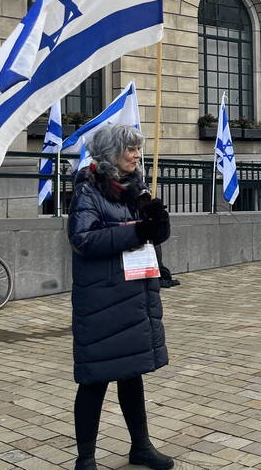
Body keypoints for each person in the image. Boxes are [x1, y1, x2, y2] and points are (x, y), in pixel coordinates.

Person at [68, 124, 174, 470]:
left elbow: (145, 235)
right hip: (102, 299)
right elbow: (83, 239)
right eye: (130, 149)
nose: (136, 155)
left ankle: (140, 447)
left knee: (132, 373)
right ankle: (85, 459)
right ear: (111, 152)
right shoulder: (88, 191)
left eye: (137, 149)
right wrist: (135, 233)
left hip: (132, 294)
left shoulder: (135, 190)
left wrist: (157, 225)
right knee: (95, 378)